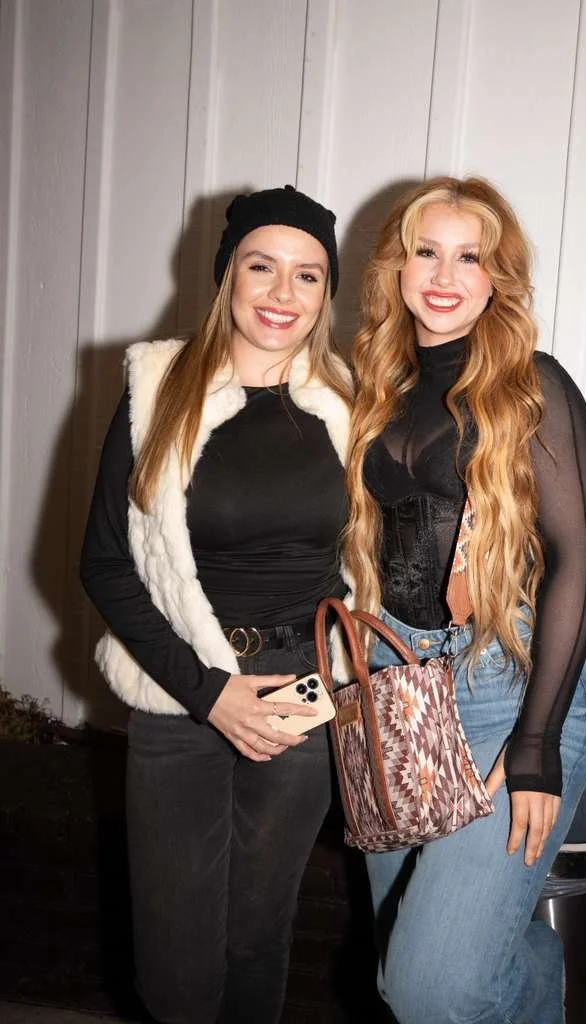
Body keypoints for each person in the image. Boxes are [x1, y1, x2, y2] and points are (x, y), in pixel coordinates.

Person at [80, 185, 354, 1024]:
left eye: (307, 275)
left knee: (259, 939)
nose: (282, 293)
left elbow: (371, 557)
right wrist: (211, 693)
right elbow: (105, 564)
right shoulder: (157, 387)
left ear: (326, 294)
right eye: (261, 267)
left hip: (300, 694)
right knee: (175, 969)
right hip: (181, 694)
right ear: (227, 274)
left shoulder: (347, 400)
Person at [344, 176, 586, 1024]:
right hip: (395, 689)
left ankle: (541, 986)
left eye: (470, 256)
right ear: (397, 266)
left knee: (432, 988)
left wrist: (536, 741)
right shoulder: (376, 385)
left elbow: (576, 562)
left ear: (499, 276)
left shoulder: (535, 388)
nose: (445, 275)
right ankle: (528, 967)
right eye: (427, 251)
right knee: (400, 967)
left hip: (507, 688)